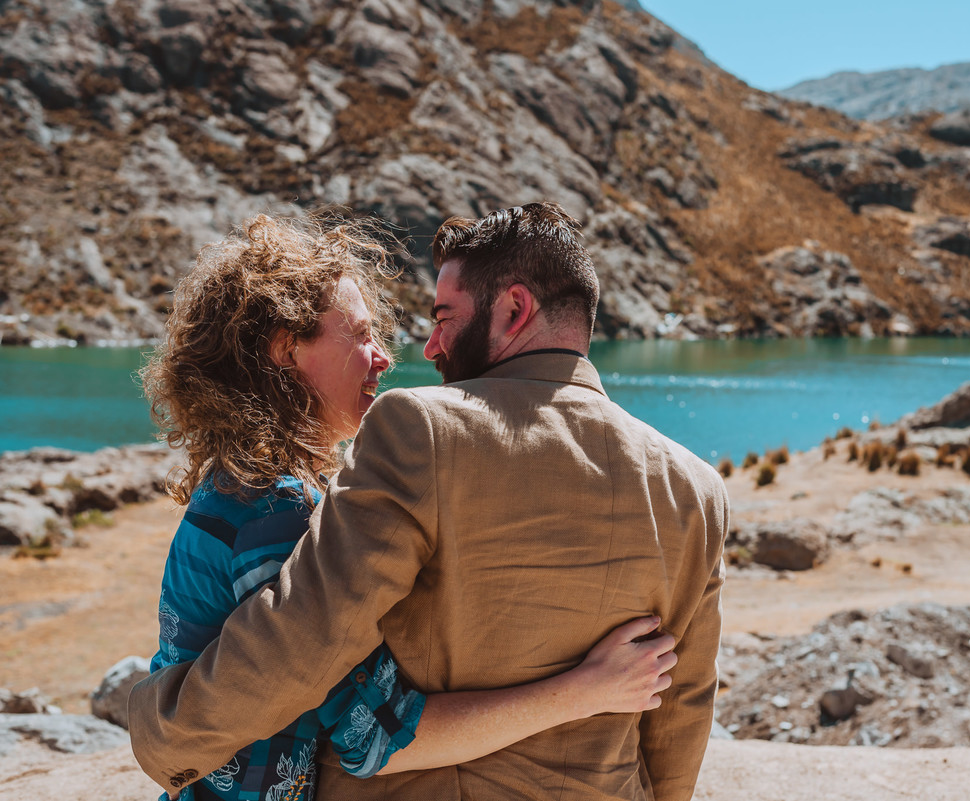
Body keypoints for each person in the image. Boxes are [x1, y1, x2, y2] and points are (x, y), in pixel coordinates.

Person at [130, 202, 728, 800]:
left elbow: (303, 645)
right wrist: (590, 694)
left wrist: (163, 733)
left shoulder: (418, 430)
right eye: (364, 335)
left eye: (444, 316)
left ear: (515, 309)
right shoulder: (697, 487)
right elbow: (683, 712)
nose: (428, 345)